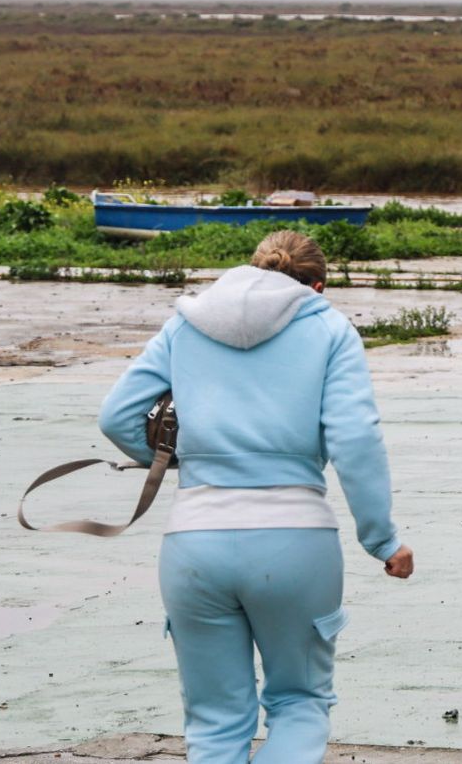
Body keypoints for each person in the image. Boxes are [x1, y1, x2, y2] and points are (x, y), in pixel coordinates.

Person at [98, 230, 413, 764]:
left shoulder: (186, 323)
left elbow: (117, 416)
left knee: (215, 720)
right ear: (316, 285)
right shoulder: (330, 327)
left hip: (194, 542)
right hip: (295, 541)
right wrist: (382, 541)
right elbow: (355, 438)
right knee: (299, 700)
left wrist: (186, 459)